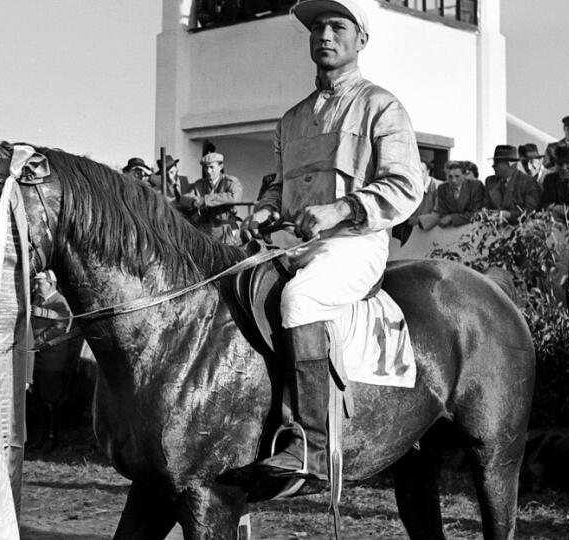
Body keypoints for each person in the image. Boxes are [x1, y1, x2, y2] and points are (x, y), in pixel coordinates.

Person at [233, 0, 424, 485]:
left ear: (361, 38)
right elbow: (281, 183)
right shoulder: (291, 118)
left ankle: (311, 447)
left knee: (301, 298)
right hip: (298, 246)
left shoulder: (383, 106)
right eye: (317, 27)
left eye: (337, 26)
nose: (324, 35)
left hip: (357, 242)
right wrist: (267, 207)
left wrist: (341, 209)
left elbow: (405, 185)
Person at [29, 270, 72, 452]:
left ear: (50, 284)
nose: (37, 287)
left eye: (40, 283)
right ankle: (44, 436)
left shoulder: (59, 302)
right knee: (40, 399)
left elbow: (60, 327)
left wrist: (35, 342)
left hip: (52, 359)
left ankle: (53, 438)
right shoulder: (39, 301)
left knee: (50, 399)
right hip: (38, 358)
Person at [180, 152, 245, 245]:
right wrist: (193, 201)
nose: (208, 171)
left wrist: (205, 200)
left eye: (212, 167)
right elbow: (184, 198)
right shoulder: (200, 184)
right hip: (205, 230)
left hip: (225, 230)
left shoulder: (230, 182)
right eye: (206, 168)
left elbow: (234, 197)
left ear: (221, 166)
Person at [484, 145, 542, 222]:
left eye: (497, 162)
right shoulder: (490, 182)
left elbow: (529, 213)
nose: (493, 166)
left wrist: (507, 214)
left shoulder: (528, 183)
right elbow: (485, 207)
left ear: (510, 164)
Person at [434, 160, 487, 227]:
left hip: (472, 226)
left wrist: (452, 218)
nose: (453, 180)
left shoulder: (476, 186)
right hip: (450, 228)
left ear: (465, 175)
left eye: (457, 176)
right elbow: (443, 213)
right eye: (450, 177)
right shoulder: (442, 188)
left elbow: (477, 212)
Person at [540, 145, 569, 216]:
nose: (564, 167)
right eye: (560, 163)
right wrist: (554, 207)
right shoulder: (549, 180)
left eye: (568, 163)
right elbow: (541, 205)